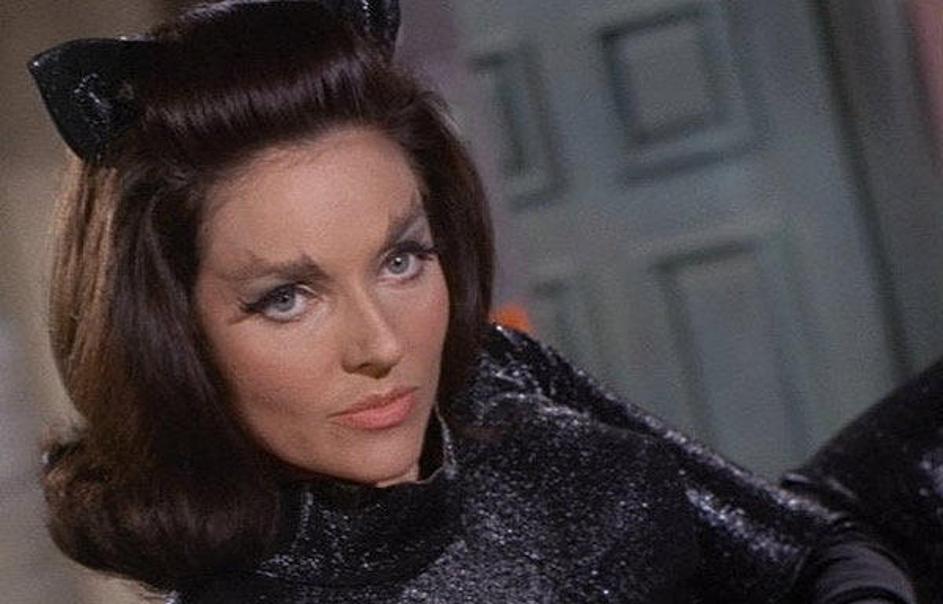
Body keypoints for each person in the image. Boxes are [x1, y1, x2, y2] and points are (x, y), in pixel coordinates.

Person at [28, 1, 921, 602]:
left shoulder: (497, 378)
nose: (381, 345)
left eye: (401, 260)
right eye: (287, 298)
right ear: (170, 335)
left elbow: (805, 545)